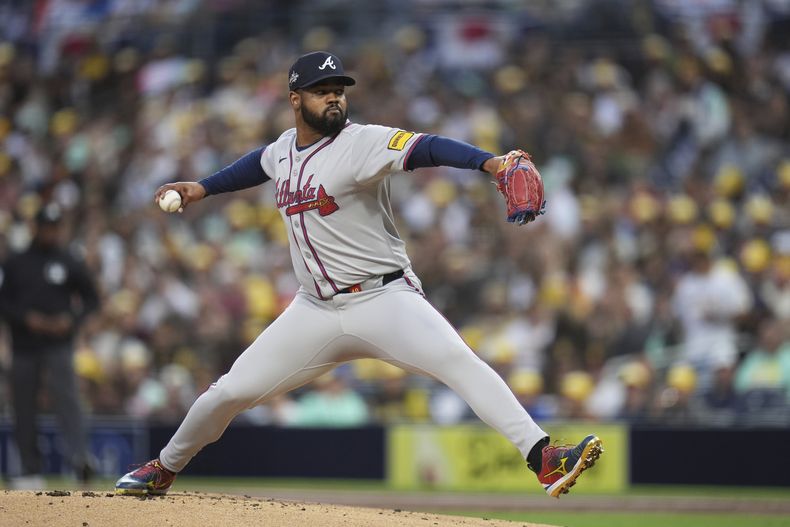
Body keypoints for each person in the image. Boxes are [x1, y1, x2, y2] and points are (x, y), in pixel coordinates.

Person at [115, 51, 603, 498]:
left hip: (383, 300)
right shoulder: (283, 149)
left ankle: (544, 458)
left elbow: (426, 148)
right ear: (294, 100)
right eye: (322, 90)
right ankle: (165, 466)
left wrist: (491, 163)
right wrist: (201, 187)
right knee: (229, 392)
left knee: (460, 362)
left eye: (339, 89)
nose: (334, 97)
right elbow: (255, 167)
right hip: (314, 311)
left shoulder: (363, 142)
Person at [0, 203, 99, 488]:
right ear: (36, 228)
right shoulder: (16, 262)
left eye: (56, 227)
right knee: (23, 404)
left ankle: (79, 461)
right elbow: (3, 302)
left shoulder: (69, 260)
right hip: (24, 345)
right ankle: (30, 469)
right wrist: (26, 319)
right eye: (47, 227)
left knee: (68, 400)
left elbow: (92, 298)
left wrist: (71, 319)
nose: (51, 232)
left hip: (58, 344)